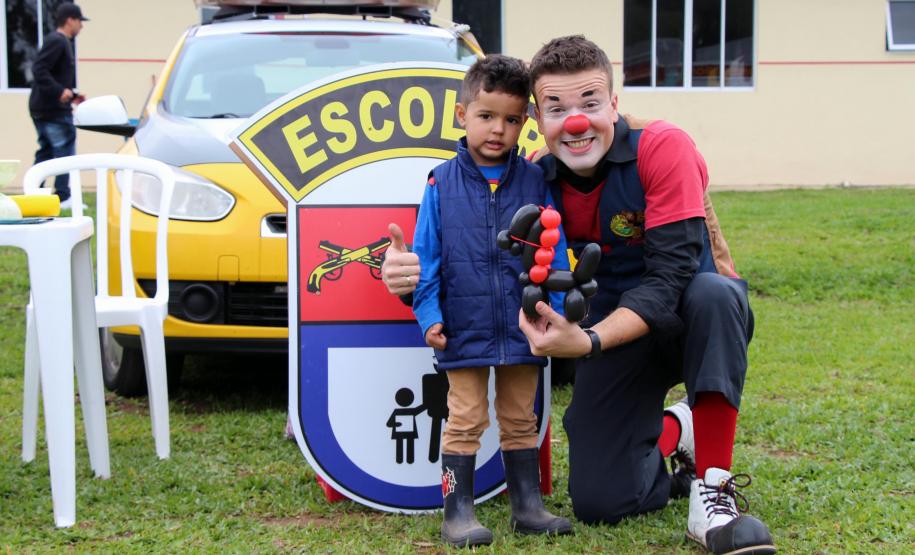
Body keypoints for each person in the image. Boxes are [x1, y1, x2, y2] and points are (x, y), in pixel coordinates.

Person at [382, 36, 775, 555]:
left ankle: (715, 491)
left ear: (614, 103)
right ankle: (674, 433)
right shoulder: (535, 176)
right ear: (539, 121)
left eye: (590, 103)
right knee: (600, 501)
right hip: (612, 329)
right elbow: (461, 242)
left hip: (688, 322)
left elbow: (672, 277)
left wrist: (586, 341)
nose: (576, 121)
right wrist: (400, 270)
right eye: (557, 108)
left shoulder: (663, 147)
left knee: (714, 293)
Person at [410, 55, 572, 548]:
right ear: (462, 114)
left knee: (521, 417)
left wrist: (558, 314)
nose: (497, 129)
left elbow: (555, 248)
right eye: (486, 116)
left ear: (524, 122)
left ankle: (527, 506)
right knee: (464, 419)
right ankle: (456, 512)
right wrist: (429, 315)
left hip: (525, 326)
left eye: (510, 119)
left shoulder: (535, 181)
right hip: (465, 325)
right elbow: (427, 257)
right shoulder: (441, 182)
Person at [28, 2, 88, 210]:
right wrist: (59, 92)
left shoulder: (58, 42)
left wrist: (72, 95)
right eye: (80, 21)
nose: (82, 26)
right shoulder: (58, 41)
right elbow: (39, 69)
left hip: (43, 107)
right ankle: (63, 197)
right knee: (64, 151)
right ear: (70, 20)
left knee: (45, 152)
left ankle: (33, 192)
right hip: (52, 110)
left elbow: (49, 74)